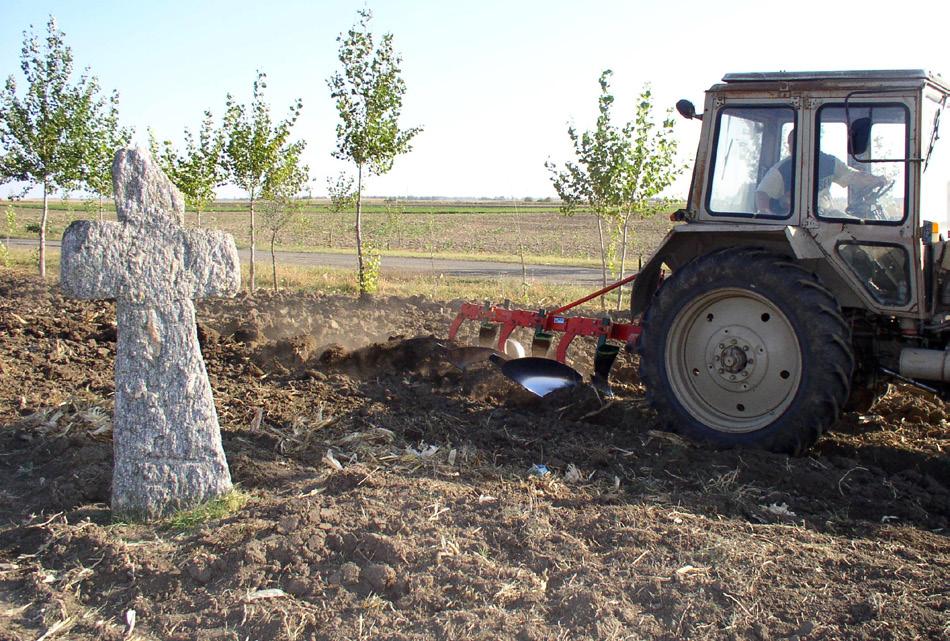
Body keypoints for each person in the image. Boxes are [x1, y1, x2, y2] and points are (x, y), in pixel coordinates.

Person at [755, 129, 888, 216]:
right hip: (794, 220)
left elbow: (853, 176)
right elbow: (762, 195)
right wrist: (777, 208)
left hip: (823, 215)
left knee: (856, 225)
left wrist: (876, 180)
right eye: (792, 143)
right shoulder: (782, 169)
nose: (794, 147)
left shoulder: (828, 162)